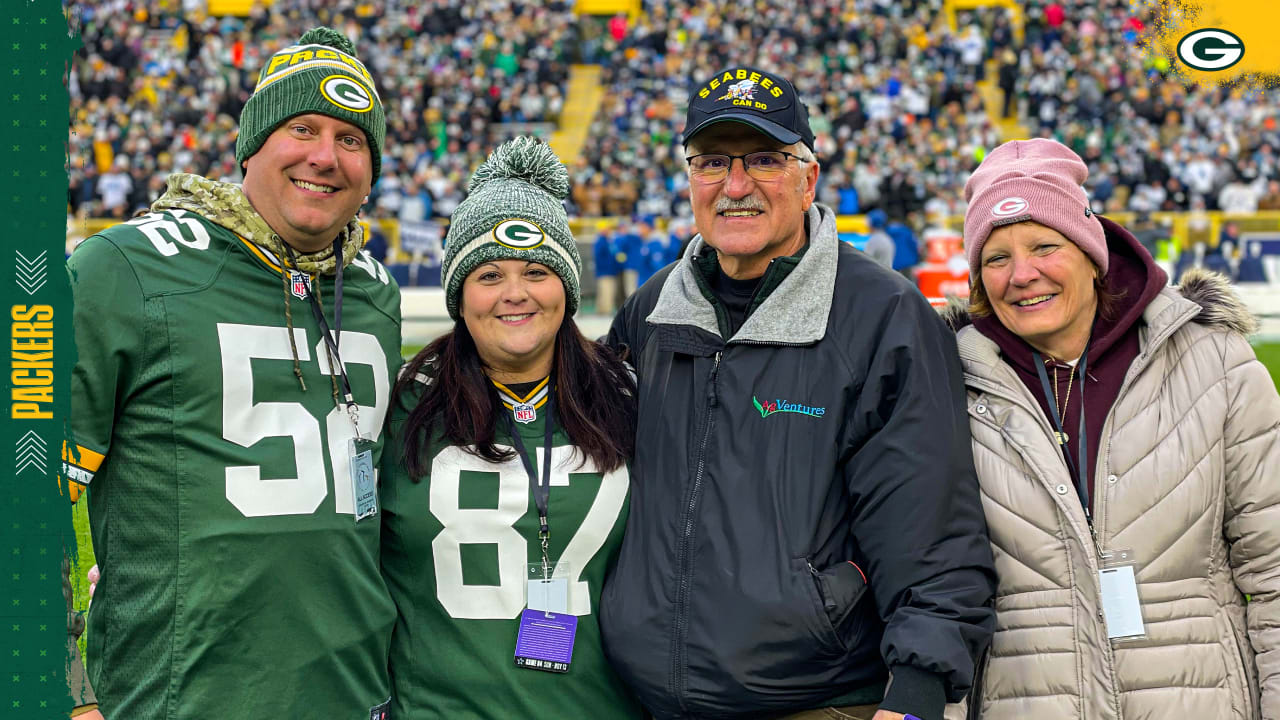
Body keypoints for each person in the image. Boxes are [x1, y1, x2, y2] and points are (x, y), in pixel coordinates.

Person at [601, 66, 996, 720]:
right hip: (648, 700)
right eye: (711, 163)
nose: (735, 186)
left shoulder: (882, 315)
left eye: (763, 160)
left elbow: (933, 533)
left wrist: (918, 694)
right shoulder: (651, 311)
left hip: (820, 700)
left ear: (809, 177)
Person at [63, 27, 400, 719]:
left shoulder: (372, 291)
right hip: (180, 700)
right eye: (302, 128)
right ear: (250, 145)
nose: (325, 157)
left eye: (352, 139)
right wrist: (71, 691)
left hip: (353, 696)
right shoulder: (124, 268)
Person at [943, 138, 1280, 720]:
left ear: (1090, 251)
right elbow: (935, 589)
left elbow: (1273, 567)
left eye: (1044, 245)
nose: (1022, 275)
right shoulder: (944, 380)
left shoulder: (1214, 361)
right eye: (996, 258)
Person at [381, 137, 643, 718]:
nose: (515, 293)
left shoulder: (628, 397)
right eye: (489, 274)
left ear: (567, 289)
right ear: (460, 294)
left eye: (536, 271)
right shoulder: (399, 406)